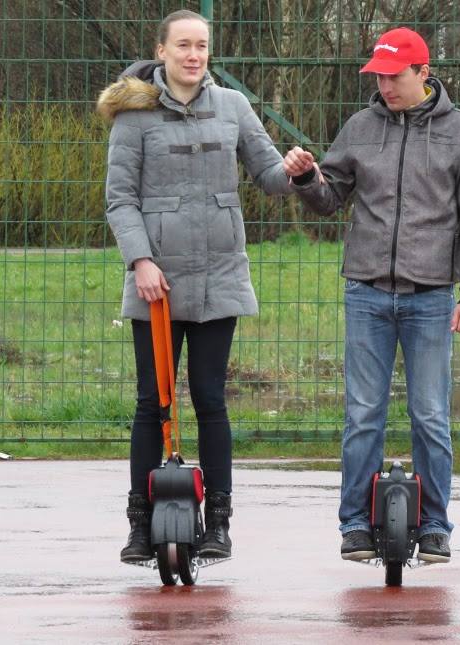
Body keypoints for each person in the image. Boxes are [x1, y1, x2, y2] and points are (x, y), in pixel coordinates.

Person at [283, 27, 460, 563]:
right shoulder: (360, 126)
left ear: (424, 73)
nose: (385, 86)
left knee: (430, 415)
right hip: (367, 291)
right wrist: (307, 179)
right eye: (378, 77)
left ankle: (436, 526)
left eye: (395, 76)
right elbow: (330, 198)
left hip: (431, 297)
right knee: (362, 415)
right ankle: (354, 524)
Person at [97, 9, 293, 564]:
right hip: (155, 284)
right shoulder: (134, 118)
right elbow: (120, 199)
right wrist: (140, 261)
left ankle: (218, 525)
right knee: (151, 402)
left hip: (219, 277)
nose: (193, 55)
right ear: (161, 51)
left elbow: (269, 176)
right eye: (183, 45)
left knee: (210, 399)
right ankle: (140, 524)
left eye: (201, 46)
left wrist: (296, 169)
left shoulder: (233, 106)